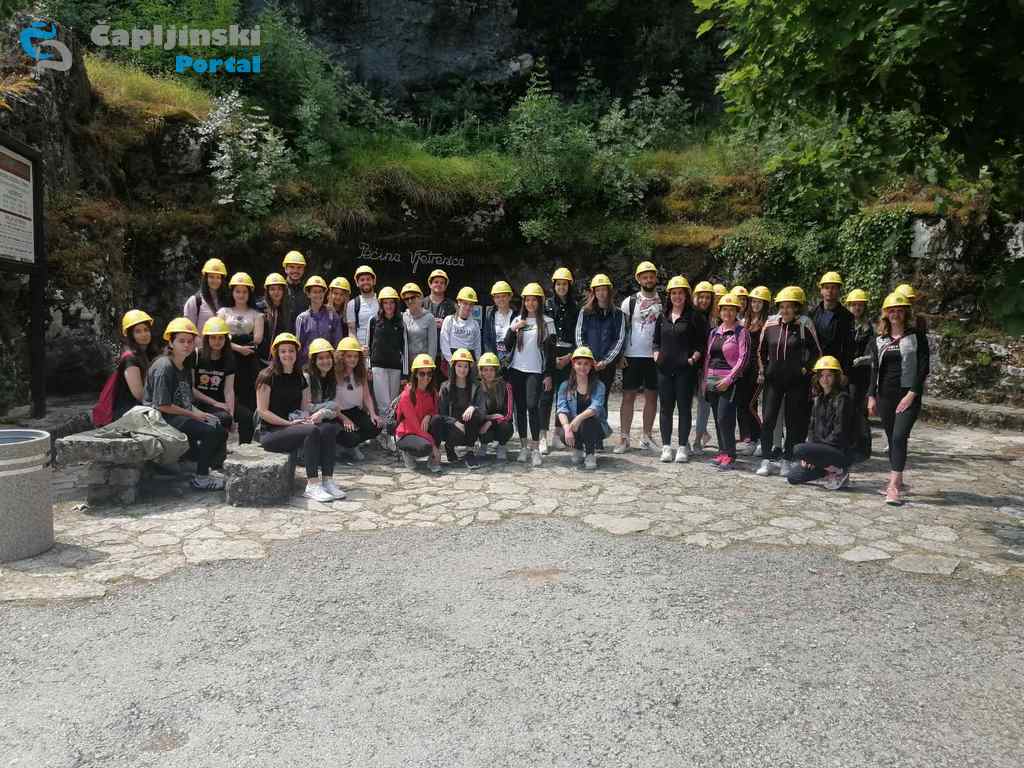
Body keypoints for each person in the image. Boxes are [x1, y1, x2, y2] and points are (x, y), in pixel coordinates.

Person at [256, 332, 344, 502]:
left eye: (291, 350)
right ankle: (312, 484)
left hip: (294, 426)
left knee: (328, 429)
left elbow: (304, 408)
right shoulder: (266, 377)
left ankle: (327, 480)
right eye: (283, 351)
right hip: (271, 432)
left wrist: (308, 418)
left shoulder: (300, 378)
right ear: (276, 353)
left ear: (296, 353)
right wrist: (288, 423)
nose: (287, 354)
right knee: (311, 431)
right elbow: (262, 411)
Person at [142, 317, 227, 490]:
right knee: (210, 431)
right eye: (181, 341)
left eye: (190, 341)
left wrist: (200, 414)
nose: (186, 345)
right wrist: (194, 415)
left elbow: (185, 399)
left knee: (218, 424)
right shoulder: (164, 367)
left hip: (179, 416)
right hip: (162, 420)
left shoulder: (185, 365)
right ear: (171, 342)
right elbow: (162, 405)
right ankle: (201, 478)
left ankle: (202, 467)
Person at [869, 291, 929, 506]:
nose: (896, 314)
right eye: (892, 310)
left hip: (908, 395)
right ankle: (898, 477)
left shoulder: (917, 336)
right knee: (891, 437)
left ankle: (893, 486)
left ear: (906, 313)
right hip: (885, 395)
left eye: (900, 310)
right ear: (886, 314)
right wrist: (871, 396)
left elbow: (923, 368)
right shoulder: (879, 339)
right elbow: (874, 370)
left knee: (898, 437)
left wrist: (912, 394)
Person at [756, 286, 822, 478]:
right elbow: (760, 351)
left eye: (789, 307)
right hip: (773, 381)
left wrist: (806, 369)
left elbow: (817, 352)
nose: (785, 310)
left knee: (793, 422)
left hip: (796, 382)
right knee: (768, 420)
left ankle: (787, 459)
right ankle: (766, 460)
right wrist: (763, 369)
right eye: (782, 306)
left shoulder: (804, 324)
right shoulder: (770, 324)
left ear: (796, 308)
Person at [652, 276, 707, 463]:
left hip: (685, 370)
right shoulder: (662, 316)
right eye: (674, 293)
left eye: (680, 293)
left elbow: (701, 344)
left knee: (684, 408)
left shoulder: (694, 316)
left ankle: (683, 447)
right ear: (669, 295)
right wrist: (656, 355)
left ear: (686, 295)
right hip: (664, 370)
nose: (677, 296)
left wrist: (693, 359)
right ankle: (666, 447)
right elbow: (656, 341)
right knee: (665, 409)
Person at [504, 283, 557, 467]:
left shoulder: (548, 322)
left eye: (534, 300)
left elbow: (551, 352)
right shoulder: (518, 319)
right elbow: (507, 345)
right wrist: (513, 329)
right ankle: (523, 447)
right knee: (519, 409)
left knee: (532, 406)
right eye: (527, 300)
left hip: (535, 371)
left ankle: (535, 449)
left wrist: (548, 374)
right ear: (523, 302)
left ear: (540, 301)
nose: (530, 303)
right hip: (516, 370)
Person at [787, 356, 854, 490]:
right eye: (822, 375)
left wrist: (814, 453)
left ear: (836, 377)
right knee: (793, 477)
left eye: (829, 375)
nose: (825, 379)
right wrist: (810, 455)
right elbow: (811, 430)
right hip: (821, 451)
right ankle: (828, 472)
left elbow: (839, 432)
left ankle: (840, 471)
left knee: (798, 449)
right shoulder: (818, 399)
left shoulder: (843, 399)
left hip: (838, 451)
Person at [617, 261, 662, 454]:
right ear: (638, 279)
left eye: (651, 276)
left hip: (655, 356)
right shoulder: (629, 302)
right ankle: (624, 439)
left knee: (652, 397)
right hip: (632, 355)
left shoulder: (663, 302)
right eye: (645, 277)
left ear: (655, 278)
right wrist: (620, 354)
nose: (648, 279)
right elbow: (621, 330)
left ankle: (646, 437)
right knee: (628, 396)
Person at [702, 294, 751, 471]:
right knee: (717, 418)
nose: (727, 313)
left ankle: (730, 454)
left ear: (737, 311)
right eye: (724, 309)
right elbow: (708, 357)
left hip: (730, 381)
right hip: (712, 379)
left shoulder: (741, 332)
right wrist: (704, 381)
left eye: (731, 310)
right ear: (719, 311)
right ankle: (722, 452)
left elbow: (744, 358)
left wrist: (729, 379)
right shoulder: (714, 332)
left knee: (725, 417)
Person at [192, 317, 253, 446]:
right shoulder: (196, 355)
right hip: (200, 402)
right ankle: (215, 449)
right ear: (207, 339)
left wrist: (231, 415)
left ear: (226, 339)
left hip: (221, 401)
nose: (217, 341)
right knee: (223, 418)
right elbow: (191, 388)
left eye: (221, 338)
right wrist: (215, 403)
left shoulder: (229, 359)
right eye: (213, 338)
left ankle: (244, 448)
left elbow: (229, 390)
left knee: (247, 416)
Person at [218, 272, 263, 439]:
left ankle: (246, 439)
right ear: (232, 292)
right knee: (224, 393)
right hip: (226, 359)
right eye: (238, 291)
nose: (241, 295)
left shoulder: (257, 314)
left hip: (248, 362)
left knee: (248, 398)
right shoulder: (223, 312)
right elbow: (217, 336)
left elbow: (257, 339)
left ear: (249, 293)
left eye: (244, 291)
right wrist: (237, 346)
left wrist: (231, 340)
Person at [540, 267, 579, 452]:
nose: (561, 287)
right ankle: (542, 436)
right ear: (554, 286)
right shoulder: (546, 306)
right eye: (558, 284)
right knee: (545, 396)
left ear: (569, 286)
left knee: (562, 397)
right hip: (549, 355)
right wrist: (551, 359)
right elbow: (542, 334)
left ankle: (557, 435)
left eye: (565, 284)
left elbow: (579, 335)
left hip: (569, 356)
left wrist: (570, 356)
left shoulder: (576, 308)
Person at [555, 346, 612, 470]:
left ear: (591, 365)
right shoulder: (565, 386)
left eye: (586, 363)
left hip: (596, 427)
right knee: (563, 431)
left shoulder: (599, 386)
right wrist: (566, 428)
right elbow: (561, 409)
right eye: (579, 363)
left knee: (588, 419)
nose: (582, 367)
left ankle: (590, 454)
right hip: (575, 427)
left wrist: (578, 418)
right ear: (573, 365)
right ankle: (578, 448)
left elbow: (596, 407)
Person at [575, 273, 625, 399]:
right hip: (587, 365)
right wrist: (588, 358)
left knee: (602, 399)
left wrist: (606, 361)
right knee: (585, 398)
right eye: (598, 290)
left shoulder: (618, 314)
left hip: (607, 366)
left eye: (604, 290)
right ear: (593, 292)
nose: (601, 293)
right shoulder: (585, 312)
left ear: (609, 291)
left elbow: (619, 339)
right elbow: (579, 336)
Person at [333, 337, 384, 461]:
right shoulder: (334, 374)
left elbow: (366, 395)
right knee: (351, 438)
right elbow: (331, 401)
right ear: (341, 357)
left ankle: (351, 444)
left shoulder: (360, 372)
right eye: (349, 356)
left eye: (356, 356)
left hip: (354, 410)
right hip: (338, 413)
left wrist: (372, 414)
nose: (353, 359)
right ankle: (344, 445)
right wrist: (344, 418)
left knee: (376, 426)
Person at [368, 287, 405, 450]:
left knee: (393, 404)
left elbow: (405, 349)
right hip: (378, 366)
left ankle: (389, 432)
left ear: (396, 304)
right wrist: (368, 366)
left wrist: (405, 373)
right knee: (383, 404)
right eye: (386, 303)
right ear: (381, 304)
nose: (389, 306)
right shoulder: (373, 321)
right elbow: (368, 345)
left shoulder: (401, 322)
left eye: (392, 303)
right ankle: (386, 435)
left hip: (395, 367)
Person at [435, 348, 484, 469]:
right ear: (453, 367)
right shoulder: (445, 387)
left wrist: (473, 407)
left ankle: (470, 452)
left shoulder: (476, 386)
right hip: (453, 428)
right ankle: (449, 447)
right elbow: (441, 413)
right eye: (459, 366)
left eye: (465, 366)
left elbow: (482, 409)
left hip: (470, 427)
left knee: (474, 413)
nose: (462, 369)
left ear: (470, 368)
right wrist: (455, 422)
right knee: (448, 427)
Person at [736, 286, 770, 455]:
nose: (755, 305)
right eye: (753, 301)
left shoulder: (769, 323)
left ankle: (763, 438)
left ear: (765, 304)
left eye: (759, 302)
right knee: (743, 404)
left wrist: (762, 371)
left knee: (752, 405)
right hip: (745, 368)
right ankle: (750, 438)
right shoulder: (745, 322)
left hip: (760, 368)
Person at [395, 353, 443, 473]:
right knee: (425, 447)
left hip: (421, 431)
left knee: (437, 420)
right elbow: (415, 427)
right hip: (407, 433)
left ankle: (432, 460)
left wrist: (429, 415)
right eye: (422, 373)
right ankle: (407, 453)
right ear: (415, 374)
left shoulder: (433, 393)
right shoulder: (406, 395)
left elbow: (435, 411)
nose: (426, 377)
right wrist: (434, 447)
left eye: (429, 374)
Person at [111, 309, 161, 421]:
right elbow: (139, 394)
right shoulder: (130, 358)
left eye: (146, 330)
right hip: (129, 411)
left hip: (146, 407)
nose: (144, 334)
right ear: (130, 335)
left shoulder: (150, 354)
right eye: (138, 331)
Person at [846, 289, 874, 461]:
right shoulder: (844, 323)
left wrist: (861, 360)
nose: (857, 308)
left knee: (858, 410)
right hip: (846, 373)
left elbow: (872, 352)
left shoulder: (868, 327)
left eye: (860, 305)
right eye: (854, 305)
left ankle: (863, 446)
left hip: (861, 374)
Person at [691, 281, 717, 454]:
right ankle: (695, 438)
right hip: (691, 364)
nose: (704, 300)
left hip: (707, 367)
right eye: (701, 297)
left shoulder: (713, 319)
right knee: (688, 404)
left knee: (704, 403)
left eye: (708, 297)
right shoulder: (690, 315)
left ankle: (698, 440)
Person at [809, 271, 855, 371]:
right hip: (815, 367)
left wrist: (844, 372)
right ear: (821, 290)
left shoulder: (847, 317)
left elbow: (849, 348)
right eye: (826, 287)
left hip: (836, 368)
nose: (830, 291)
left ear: (839, 291)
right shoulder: (811, 314)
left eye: (833, 288)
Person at [474, 352, 515, 460]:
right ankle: (483, 444)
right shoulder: (477, 387)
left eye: (491, 370)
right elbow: (477, 412)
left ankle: (502, 446)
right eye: (485, 370)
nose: (488, 373)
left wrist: (491, 421)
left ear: (496, 371)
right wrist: (489, 418)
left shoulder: (506, 386)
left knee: (506, 426)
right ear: (481, 371)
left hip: (500, 424)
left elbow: (508, 414)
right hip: (483, 424)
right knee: (478, 424)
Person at [295, 275, 342, 364]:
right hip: (308, 365)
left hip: (327, 364)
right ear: (308, 294)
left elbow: (338, 343)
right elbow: (298, 347)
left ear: (324, 293)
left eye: (320, 292)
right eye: (315, 292)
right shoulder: (301, 318)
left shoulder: (333, 316)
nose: (318, 295)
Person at [440, 287, 483, 376]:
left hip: (469, 361)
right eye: (465, 303)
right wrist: (451, 362)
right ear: (459, 302)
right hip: (452, 360)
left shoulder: (475, 324)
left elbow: (477, 346)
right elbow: (444, 343)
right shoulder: (449, 320)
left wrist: (478, 364)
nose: (468, 307)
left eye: (471, 304)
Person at [183, 258, 228, 333]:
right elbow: (188, 331)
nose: (215, 280)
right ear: (205, 278)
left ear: (222, 280)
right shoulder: (195, 301)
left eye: (218, 277)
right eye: (211, 277)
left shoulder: (227, 300)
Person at [258, 273, 293, 364]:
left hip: (282, 358)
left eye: (279, 289)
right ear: (267, 291)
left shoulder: (288, 309)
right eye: (272, 289)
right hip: (261, 358)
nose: (276, 292)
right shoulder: (259, 308)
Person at [481, 281, 516, 370]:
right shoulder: (490, 314)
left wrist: (507, 360)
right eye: (497, 297)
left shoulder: (516, 315)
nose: (501, 299)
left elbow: (517, 342)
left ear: (510, 297)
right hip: (494, 359)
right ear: (494, 299)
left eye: (503, 296)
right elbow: (486, 339)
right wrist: (492, 359)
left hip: (512, 360)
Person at [346, 265, 380, 353]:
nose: (365, 282)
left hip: (379, 351)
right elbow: (351, 332)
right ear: (357, 283)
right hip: (360, 352)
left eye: (368, 279)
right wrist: (359, 348)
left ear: (374, 281)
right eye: (362, 280)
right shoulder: (352, 304)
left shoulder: (381, 302)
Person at [426, 269, 457, 356]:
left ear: (446, 286)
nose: (439, 284)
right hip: (425, 351)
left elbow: (459, 327)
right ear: (430, 284)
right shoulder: (421, 303)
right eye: (436, 282)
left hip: (446, 353)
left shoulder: (453, 305)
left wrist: (446, 324)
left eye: (442, 283)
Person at [282, 250, 309, 326]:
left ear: (303, 270)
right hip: (282, 332)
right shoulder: (279, 288)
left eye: (299, 267)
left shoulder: (308, 290)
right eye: (292, 267)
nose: (295, 271)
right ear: (285, 269)